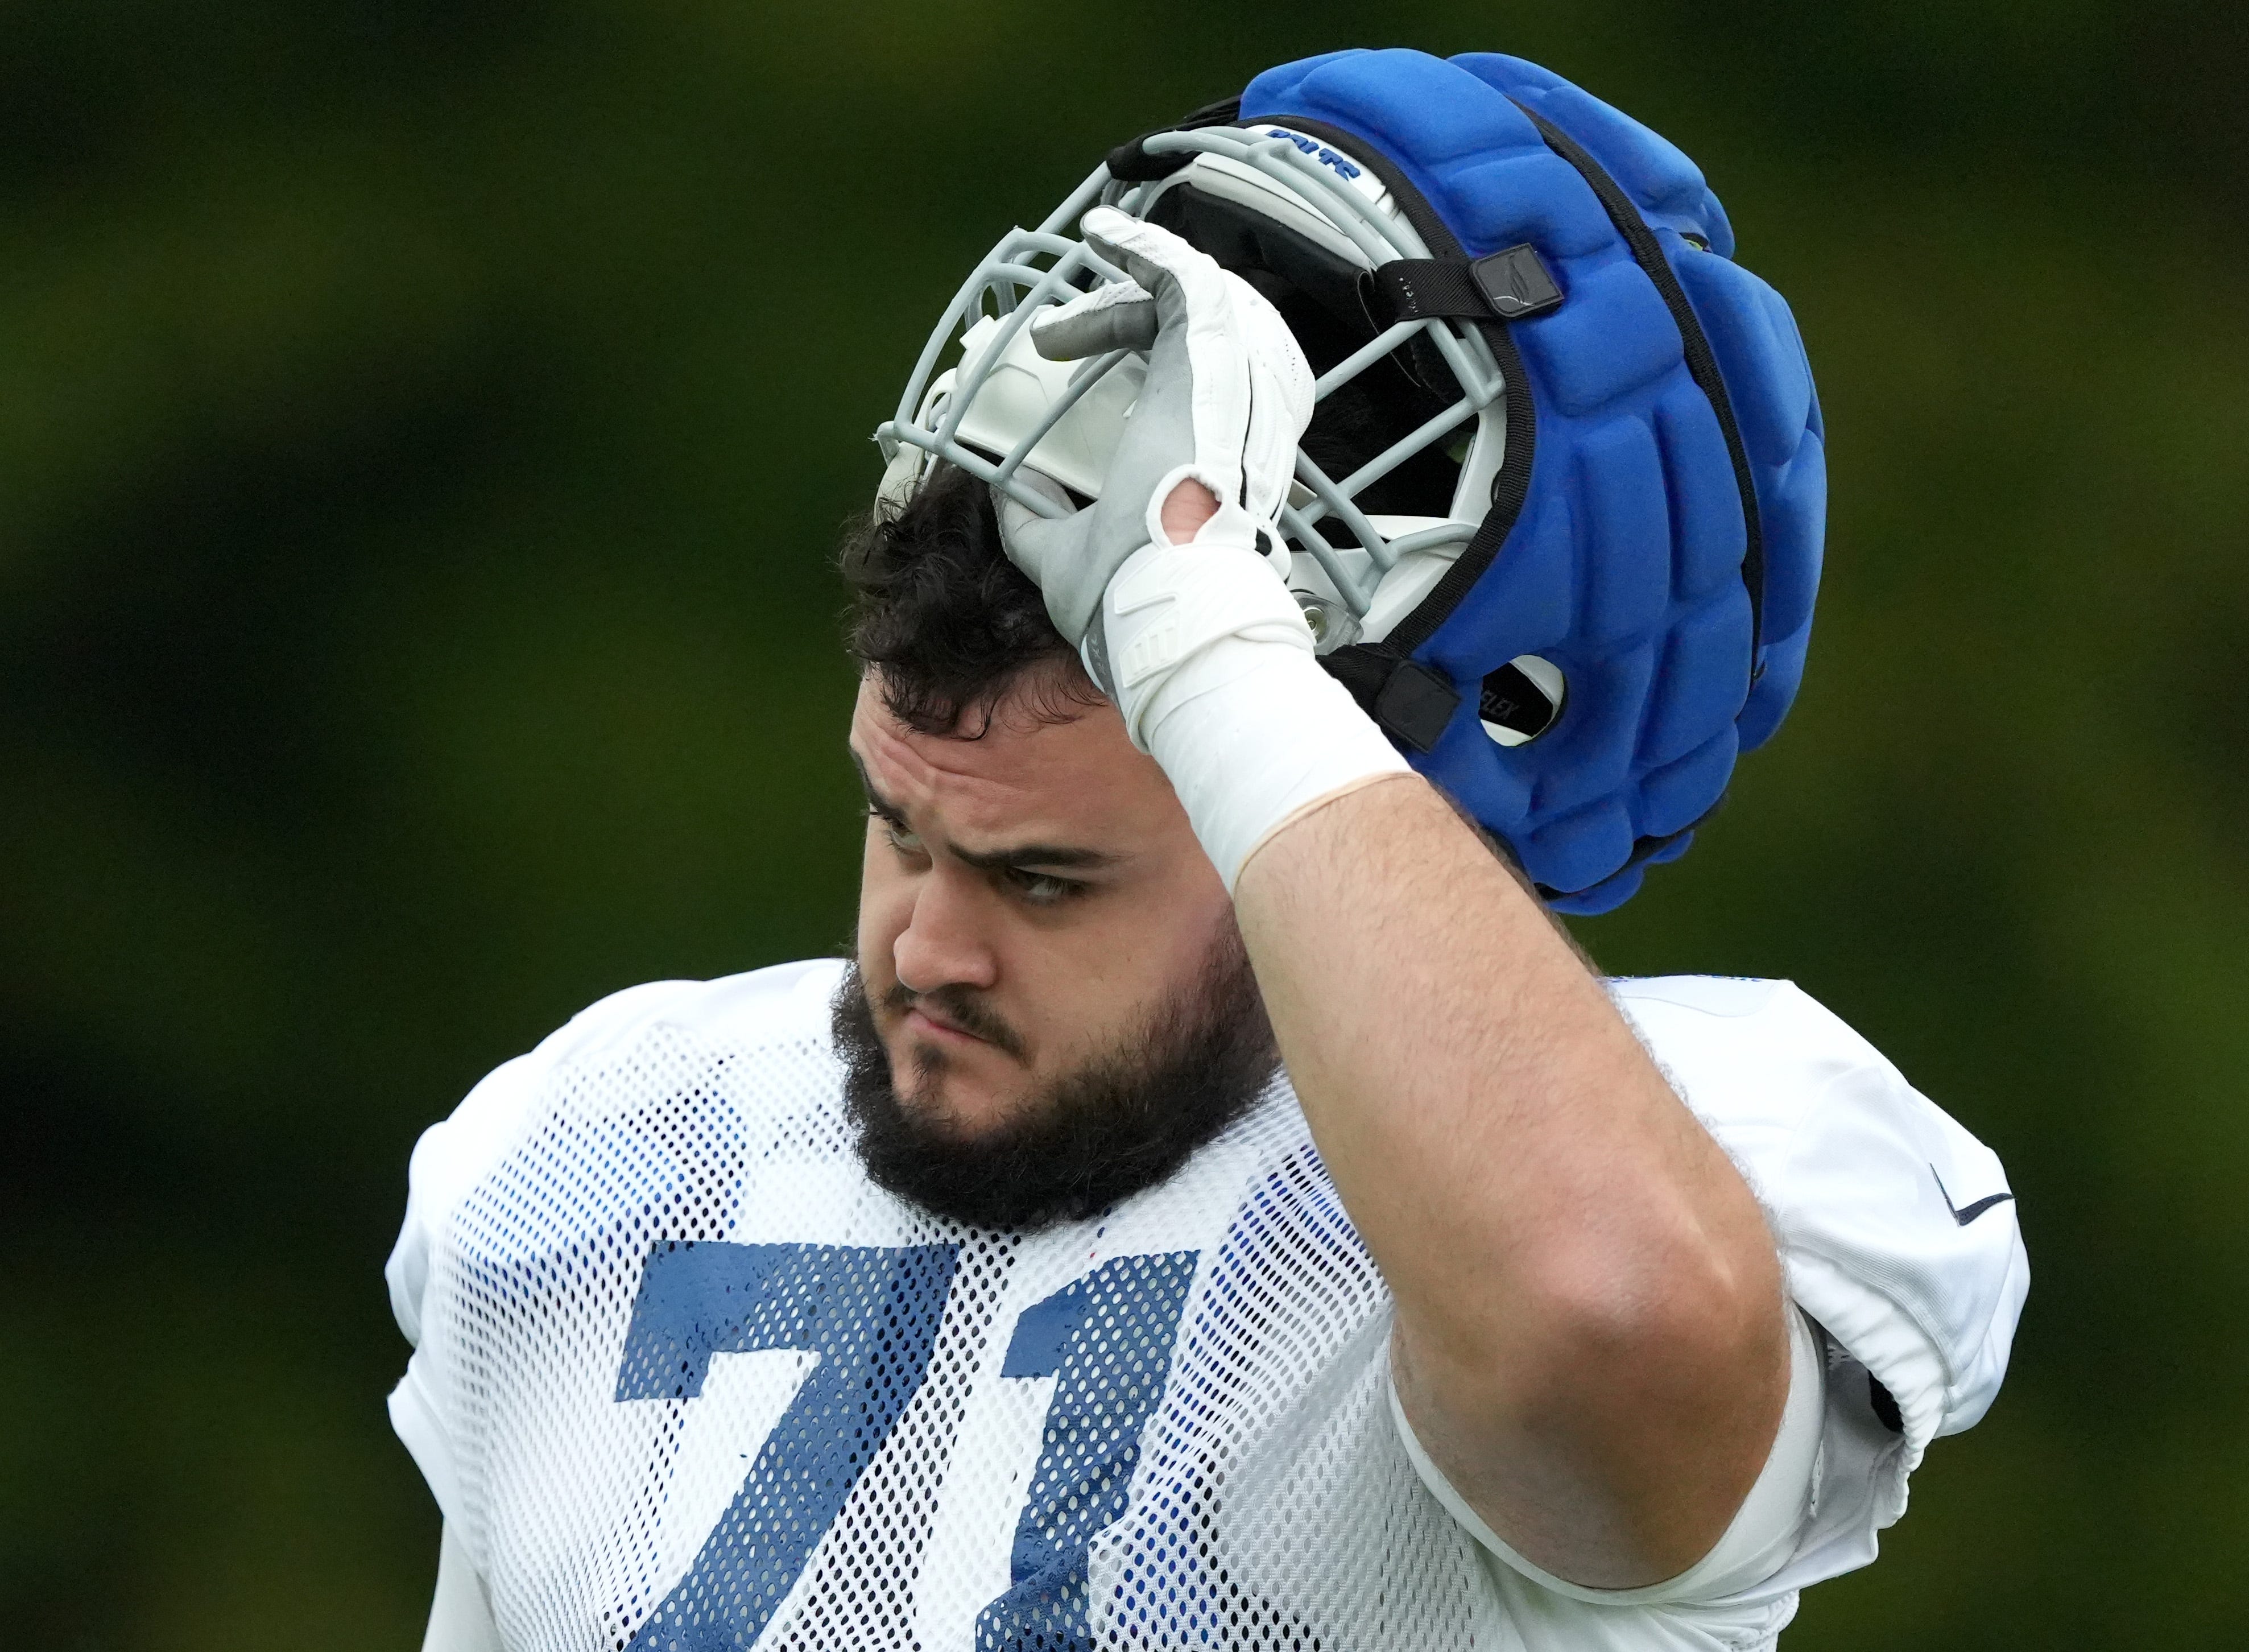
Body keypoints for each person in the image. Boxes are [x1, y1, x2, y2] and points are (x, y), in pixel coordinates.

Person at [386, 48, 2027, 1652]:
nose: (924, 951)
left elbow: (1597, 1307)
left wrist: (1211, 651)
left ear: (1359, 798)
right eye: (901, 829)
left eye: (1046, 879)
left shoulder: (1681, 1155)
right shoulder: (603, 1143)